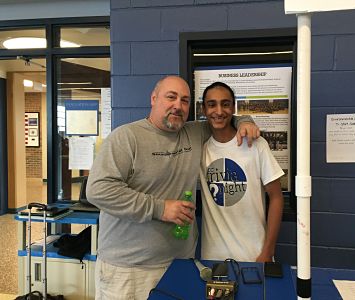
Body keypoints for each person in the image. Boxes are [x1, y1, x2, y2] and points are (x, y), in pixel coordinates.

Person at [86, 76, 260, 299]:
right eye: (171, 97)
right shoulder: (127, 137)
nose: (178, 105)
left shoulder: (194, 133)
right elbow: (98, 189)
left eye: (185, 100)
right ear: (154, 98)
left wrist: (245, 120)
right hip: (127, 270)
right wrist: (160, 208)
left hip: (178, 265)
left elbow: (222, 117)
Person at [199, 82, 284, 263]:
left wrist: (267, 252)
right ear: (203, 109)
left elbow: (276, 197)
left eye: (226, 104)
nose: (219, 111)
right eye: (212, 104)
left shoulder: (256, 144)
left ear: (234, 108)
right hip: (213, 259)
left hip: (254, 256)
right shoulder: (200, 150)